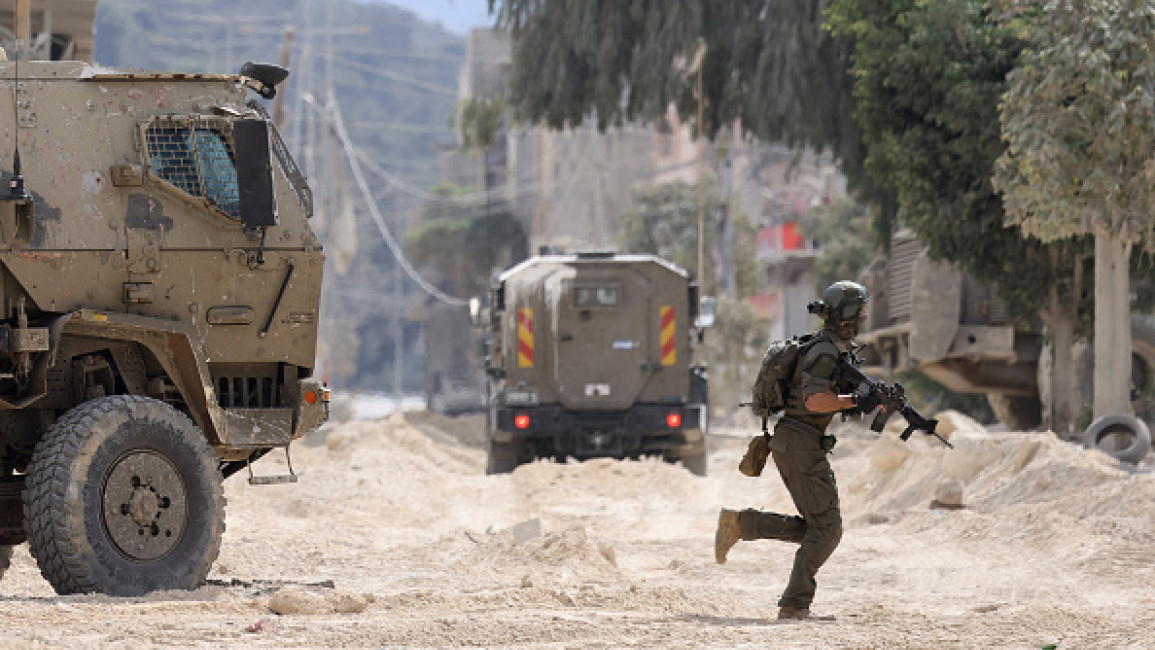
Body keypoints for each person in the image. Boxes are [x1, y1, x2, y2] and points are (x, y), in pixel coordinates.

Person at [714, 280, 877, 621]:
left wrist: (865, 401)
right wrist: (856, 399)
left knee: (817, 529)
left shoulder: (828, 347)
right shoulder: (825, 351)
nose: (864, 315)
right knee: (828, 529)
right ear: (849, 314)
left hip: (796, 441)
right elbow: (814, 400)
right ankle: (795, 604)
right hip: (801, 443)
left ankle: (742, 523)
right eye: (860, 309)